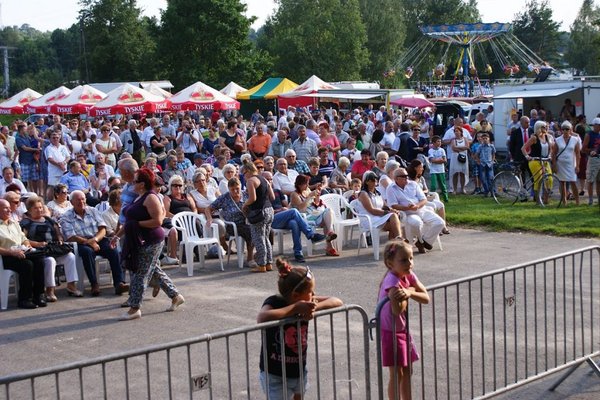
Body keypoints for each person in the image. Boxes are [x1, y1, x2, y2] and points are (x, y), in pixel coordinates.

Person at [257, 258, 343, 400]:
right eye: (311, 291)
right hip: (274, 374)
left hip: (298, 370)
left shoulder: (307, 302)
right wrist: (295, 308)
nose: (314, 295)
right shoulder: (274, 301)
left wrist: (313, 307)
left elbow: (337, 301)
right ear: (296, 295)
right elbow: (262, 317)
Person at [118, 167, 185, 321]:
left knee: (140, 273)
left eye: (135, 181)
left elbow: (157, 221)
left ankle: (134, 308)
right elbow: (129, 221)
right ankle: (175, 296)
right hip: (140, 240)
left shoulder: (151, 197)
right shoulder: (138, 196)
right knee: (154, 270)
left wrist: (137, 225)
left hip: (152, 241)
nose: (132, 183)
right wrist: (117, 235)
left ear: (142, 184)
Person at [378, 240, 429, 400]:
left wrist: (409, 291)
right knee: (397, 373)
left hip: (403, 330)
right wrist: (409, 292)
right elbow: (397, 309)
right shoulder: (392, 282)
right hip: (390, 332)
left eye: (411, 258)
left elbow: (426, 297)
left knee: (408, 370)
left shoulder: (408, 274)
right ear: (390, 263)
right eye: (404, 260)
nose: (409, 263)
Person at [60, 190, 128, 296]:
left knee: (113, 250)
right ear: (71, 202)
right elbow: (71, 237)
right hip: (81, 243)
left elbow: (102, 229)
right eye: (77, 200)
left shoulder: (93, 211)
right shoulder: (66, 216)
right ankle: (94, 284)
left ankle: (119, 283)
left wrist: (95, 240)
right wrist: (89, 242)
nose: (81, 201)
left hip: (98, 239)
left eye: (83, 199)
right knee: (87, 252)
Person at [20, 196, 81, 301]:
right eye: (35, 208)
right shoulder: (26, 223)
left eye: (40, 207)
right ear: (29, 210)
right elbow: (23, 240)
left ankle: (71, 286)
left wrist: (60, 239)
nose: (39, 210)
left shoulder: (48, 219)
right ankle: (50, 290)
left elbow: (58, 233)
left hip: (53, 248)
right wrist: (38, 244)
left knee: (70, 256)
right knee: (50, 261)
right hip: (40, 251)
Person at [263, 171, 325, 263]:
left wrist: (285, 208)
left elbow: (287, 206)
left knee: (294, 223)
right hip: (271, 218)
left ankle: (298, 252)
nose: (269, 181)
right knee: (294, 211)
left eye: (271, 179)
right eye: (267, 179)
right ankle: (310, 234)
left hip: (283, 216)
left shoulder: (277, 191)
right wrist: (278, 210)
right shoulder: (261, 193)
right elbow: (263, 211)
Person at [0, 198, 47, 309]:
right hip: (6, 256)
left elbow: (23, 238)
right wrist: (12, 252)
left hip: (21, 252)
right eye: (5, 208)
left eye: (9, 207)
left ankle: (39, 295)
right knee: (27, 265)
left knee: (39, 261)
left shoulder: (14, 223)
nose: (9, 210)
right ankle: (25, 299)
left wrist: (27, 245)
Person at [387, 168, 445, 254]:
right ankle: (420, 242)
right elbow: (393, 205)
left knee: (440, 222)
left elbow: (424, 199)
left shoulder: (413, 184)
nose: (406, 178)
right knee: (417, 223)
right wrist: (407, 207)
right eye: (403, 176)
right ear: (396, 178)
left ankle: (424, 242)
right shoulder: (391, 188)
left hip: (421, 209)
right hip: (407, 213)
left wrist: (417, 206)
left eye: (407, 176)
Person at [205, 178, 255, 267]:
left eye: (237, 189)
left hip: (248, 221)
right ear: (228, 189)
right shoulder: (224, 198)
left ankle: (261, 254)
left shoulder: (246, 194)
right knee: (250, 231)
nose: (235, 191)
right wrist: (209, 219)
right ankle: (250, 258)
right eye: (232, 190)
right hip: (233, 225)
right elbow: (208, 209)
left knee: (266, 229)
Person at [290, 174, 339, 256]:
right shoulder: (294, 194)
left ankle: (330, 232)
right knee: (326, 221)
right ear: (299, 184)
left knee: (328, 211)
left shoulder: (307, 190)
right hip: (305, 218)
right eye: (306, 183)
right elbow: (301, 209)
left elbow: (315, 203)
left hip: (314, 214)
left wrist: (317, 196)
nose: (308, 185)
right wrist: (309, 196)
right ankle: (330, 247)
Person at [242, 160, 275, 273]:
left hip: (258, 212)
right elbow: (272, 196)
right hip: (269, 209)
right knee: (265, 237)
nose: (244, 176)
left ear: (248, 171)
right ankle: (269, 263)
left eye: (243, 173)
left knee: (258, 238)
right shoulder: (264, 179)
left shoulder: (251, 181)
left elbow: (252, 198)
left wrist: (245, 205)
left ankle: (261, 265)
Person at [354, 171, 403, 240]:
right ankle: (399, 239)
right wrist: (388, 212)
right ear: (367, 182)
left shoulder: (378, 193)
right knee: (393, 217)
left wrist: (393, 210)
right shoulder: (363, 194)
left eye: (376, 179)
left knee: (394, 223)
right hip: (369, 219)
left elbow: (384, 206)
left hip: (378, 217)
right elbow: (371, 210)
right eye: (373, 180)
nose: (375, 181)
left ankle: (394, 244)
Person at [407, 160, 449, 234]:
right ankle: (434, 227)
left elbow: (426, 189)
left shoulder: (421, 178)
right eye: (421, 167)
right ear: (415, 168)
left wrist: (422, 192)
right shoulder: (409, 180)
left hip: (425, 198)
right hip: (417, 201)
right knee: (432, 206)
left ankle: (443, 226)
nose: (422, 169)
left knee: (441, 204)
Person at [522, 120, 554, 205]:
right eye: (543, 127)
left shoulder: (547, 137)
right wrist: (527, 156)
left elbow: (551, 149)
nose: (545, 128)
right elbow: (523, 148)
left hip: (545, 161)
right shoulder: (534, 138)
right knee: (538, 180)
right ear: (539, 128)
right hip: (535, 161)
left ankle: (546, 199)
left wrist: (550, 155)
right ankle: (537, 200)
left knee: (549, 179)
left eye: (545, 127)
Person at [553, 121, 581, 206]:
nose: (565, 131)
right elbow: (553, 154)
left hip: (571, 164)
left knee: (573, 181)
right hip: (560, 164)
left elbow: (577, 154)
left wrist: (577, 166)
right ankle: (564, 201)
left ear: (570, 130)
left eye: (567, 129)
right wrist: (554, 165)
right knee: (562, 182)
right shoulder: (557, 140)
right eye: (563, 129)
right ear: (561, 130)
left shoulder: (575, 139)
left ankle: (577, 201)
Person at [581, 117, 600, 205]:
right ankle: (591, 200)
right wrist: (591, 151)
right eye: (599, 125)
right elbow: (583, 149)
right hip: (593, 159)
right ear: (595, 125)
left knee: (599, 181)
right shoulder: (589, 134)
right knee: (591, 180)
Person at [473, 132, 496, 197]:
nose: (485, 140)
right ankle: (486, 190)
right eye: (483, 139)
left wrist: (492, 160)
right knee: (483, 178)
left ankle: (493, 192)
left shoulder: (491, 146)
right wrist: (478, 161)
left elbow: (493, 153)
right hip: (482, 164)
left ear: (489, 139)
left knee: (491, 178)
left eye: (486, 138)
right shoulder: (480, 147)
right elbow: (477, 154)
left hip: (489, 164)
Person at [427, 135, 448, 202]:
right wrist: (439, 160)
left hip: (441, 170)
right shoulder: (431, 151)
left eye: (440, 141)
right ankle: (431, 198)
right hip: (433, 170)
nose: (439, 143)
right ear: (433, 143)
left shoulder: (442, 150)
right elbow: (432, 160)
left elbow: (444, 160)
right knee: (433, 185)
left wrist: (436, 160)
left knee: (442, 185)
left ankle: (446, 198)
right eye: (438, 141)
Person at [450, 126, 470, 194]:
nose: (456, 132)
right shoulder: (453, 140)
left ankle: (463, 188)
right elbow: (453, 148)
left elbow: (467, 147)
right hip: (455, 157)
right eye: (455, 131)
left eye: (457, 131)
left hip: (463, 157)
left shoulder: (465, 139)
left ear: (461, 132)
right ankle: (454, 189)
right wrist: (462, 148)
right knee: (455, 173)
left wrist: (458, 148)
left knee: (462, 173)